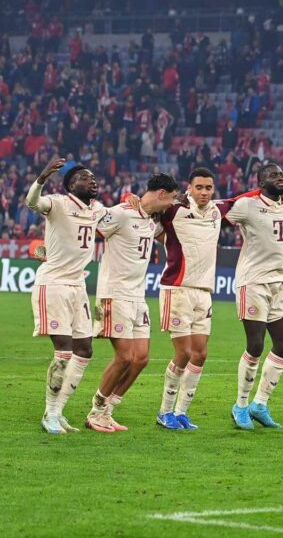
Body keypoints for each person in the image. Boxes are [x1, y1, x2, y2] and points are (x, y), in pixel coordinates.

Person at [88, 174, 178, 432]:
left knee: (140, 359)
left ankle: (108, 411)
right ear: (161, 193)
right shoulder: (120, 213)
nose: (171, 204)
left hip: (138, 297)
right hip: (114, 294)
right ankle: (95, 411)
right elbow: (90, 225)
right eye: (170, 199)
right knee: (124, 357)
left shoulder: (151, 221)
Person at [27, 158, 110, 434]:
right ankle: (49, 414)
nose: (93, 181)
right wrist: (41, 177)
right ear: (71, 185)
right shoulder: (58, 203)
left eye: (93, 177)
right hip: (53, 285)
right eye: (86, 178)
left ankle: (58, 411)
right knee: (63, 352)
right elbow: (32, 203)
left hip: (78, 288)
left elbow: (119, 215)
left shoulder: (96, 209)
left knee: (85, 350)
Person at [155, 168, 233, 430]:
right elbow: (145, 207)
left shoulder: (217, 211)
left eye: (208, 188)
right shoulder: (172, 209)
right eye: (199, 187)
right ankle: (164, 412)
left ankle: (181, 412)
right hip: (177, 290)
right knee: (184, 352)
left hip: (204, 292)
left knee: (200, 354)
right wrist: (131, 198)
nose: (204, 192)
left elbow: (252, 197)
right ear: (189, 187)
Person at [228, 164, 283, 430]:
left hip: (278, 282)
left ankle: (260, 404)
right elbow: (221, 211)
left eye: (281, 174)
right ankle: (241, 405)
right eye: (273, 175)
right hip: (252, 281)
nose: (280, 178)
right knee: (255, 345)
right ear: (259, 181)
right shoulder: (246, 205)